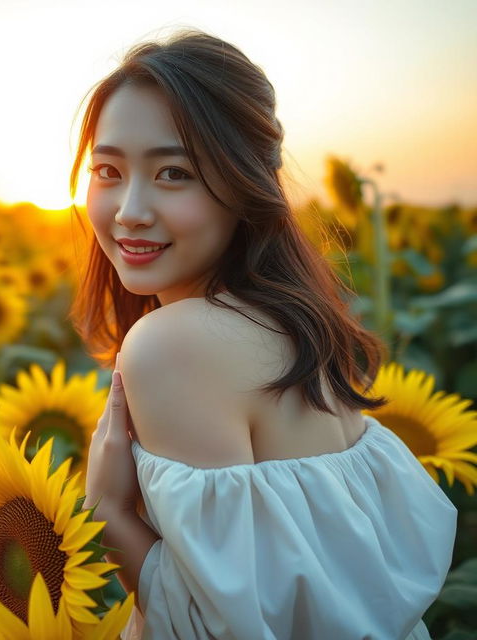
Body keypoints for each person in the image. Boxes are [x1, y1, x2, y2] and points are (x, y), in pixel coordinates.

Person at [70, 28, 457, 640]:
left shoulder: (174, 343)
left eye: (174, 173)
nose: (129, 209)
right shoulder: (295, 327)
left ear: (244, 186)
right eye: (108, 170)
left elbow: (214, 629)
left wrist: (109, 512)